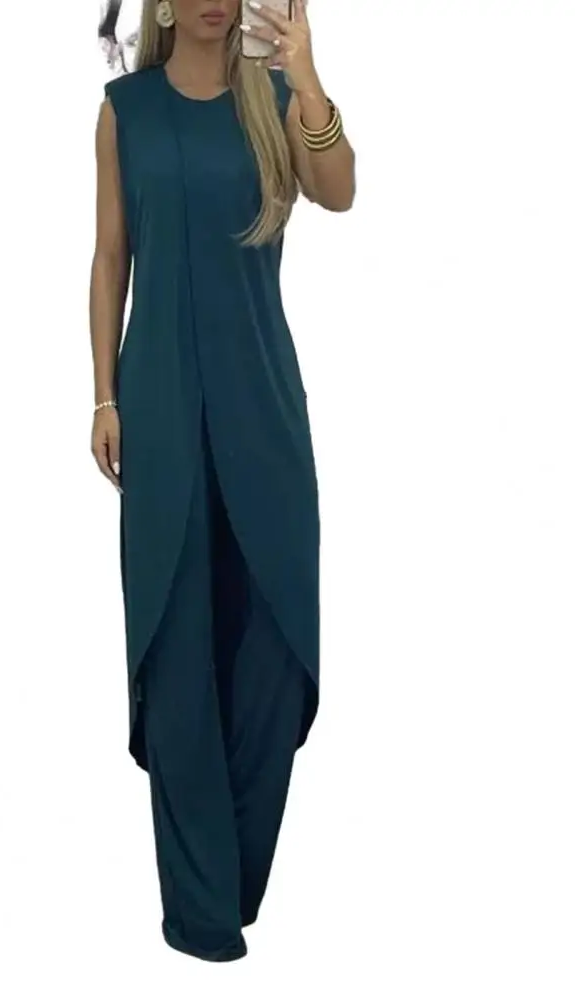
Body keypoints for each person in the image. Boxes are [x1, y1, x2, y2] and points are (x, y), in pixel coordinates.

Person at [89, 0, 355, 962]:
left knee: (276, 645)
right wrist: (102, 395)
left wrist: (307, 77)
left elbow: (339, 191)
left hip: (261, 403)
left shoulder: (274, 98)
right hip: (158, 407)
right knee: (176, 646)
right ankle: (201, 907)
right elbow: (110, 255)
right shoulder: (126, 110)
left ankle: (230, 875)